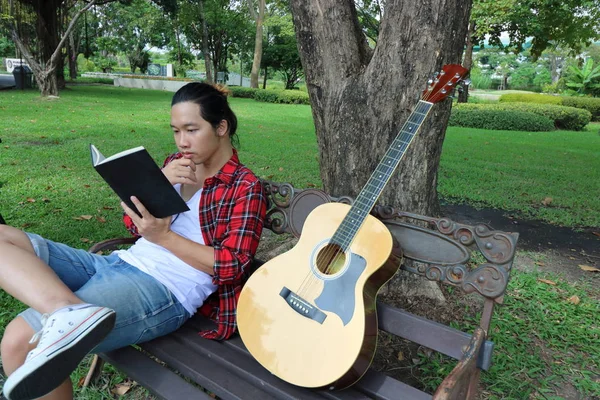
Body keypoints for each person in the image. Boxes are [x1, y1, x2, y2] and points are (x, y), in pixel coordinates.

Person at [0, 82, 267, 400]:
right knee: (3, 236)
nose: (182, 141)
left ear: (221, 127)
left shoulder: (244, 186)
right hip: (120, 263)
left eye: (192, 130)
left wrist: (164, 237)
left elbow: (233, 266)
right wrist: (157, 185)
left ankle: (68, 316)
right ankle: (67, 311)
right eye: (175, 131)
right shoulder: (177, 164)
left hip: (166, 288)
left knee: (19, 340)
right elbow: (134, 225)